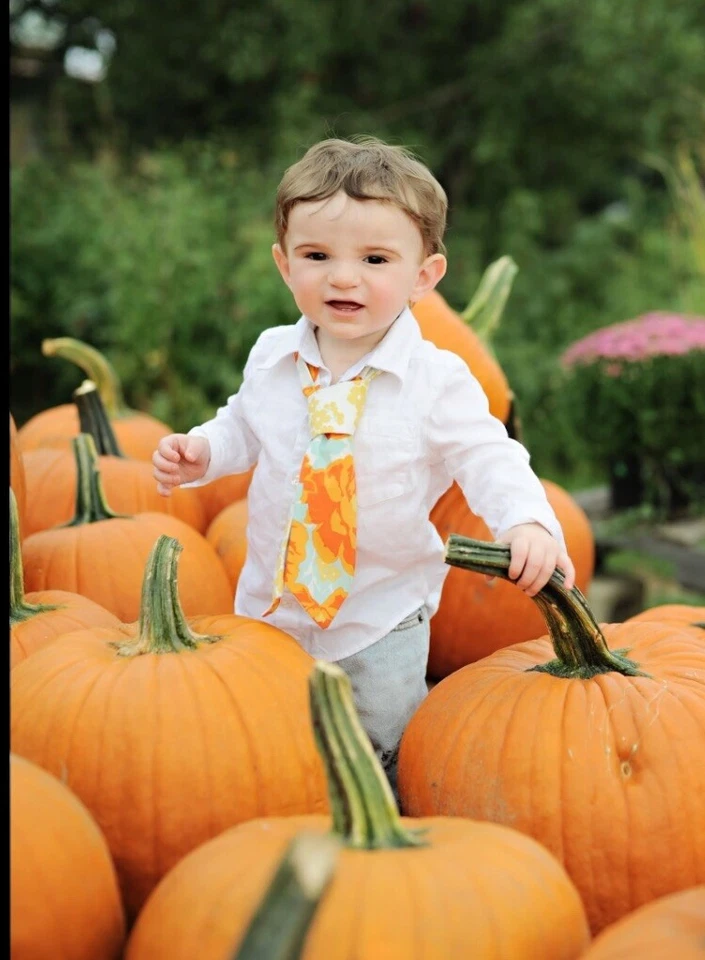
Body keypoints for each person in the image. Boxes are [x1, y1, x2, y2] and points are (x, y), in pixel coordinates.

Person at [152, 136, 575, 792]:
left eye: (374, 259)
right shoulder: (272, 357)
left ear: (423, 277)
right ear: (283, 264)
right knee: (272, 741)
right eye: (316, 256)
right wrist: (204, 451)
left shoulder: (437, 380)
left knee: (379, 748)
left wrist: (528, 522)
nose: (342, 277)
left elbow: (488, 454)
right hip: (272, 608)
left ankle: (378, 845)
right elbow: (243, 423)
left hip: (380, 614)